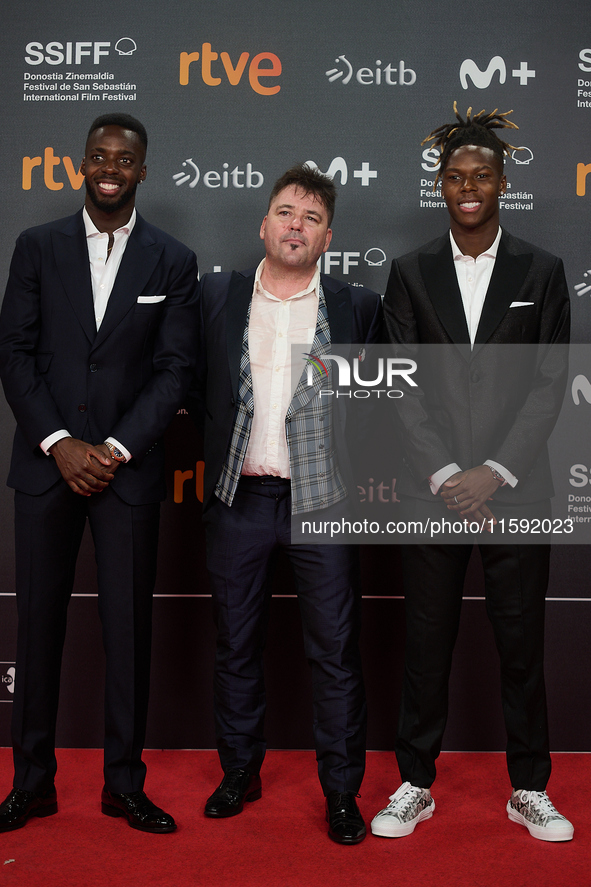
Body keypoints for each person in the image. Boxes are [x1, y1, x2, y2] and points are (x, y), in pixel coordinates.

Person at [372, 105, 573, 842]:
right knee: (426, 642)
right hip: (435, 493)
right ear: (439, 186)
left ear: (501, 182)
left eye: (479, 176)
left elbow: (549, 383)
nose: (466, 187)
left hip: (516, 492)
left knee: (520, 644)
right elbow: (401, 386)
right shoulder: (408, 272)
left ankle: (529, 787)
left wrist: (493, 471)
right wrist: (450, 474)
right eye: (454, 176)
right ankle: (414, 783)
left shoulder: (542, 271)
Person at [0, 113, 199, 833]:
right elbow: (14, 353)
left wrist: (112, 450)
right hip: (47, 464)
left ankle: (124, 783)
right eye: (98, 155)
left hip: (127, 472)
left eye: (125, 158)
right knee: (37, 626)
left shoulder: (172, 259)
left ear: (144, 169)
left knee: (127, 629)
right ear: (81, 164)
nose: (110, 166)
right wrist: (58, 442)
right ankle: (31, 781)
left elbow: (176, 369)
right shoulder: (36, 247)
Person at [191, 163, 382, 844]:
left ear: (327, 235)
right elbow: (184, 385)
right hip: (239, 499)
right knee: (235, 645)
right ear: (262, 224)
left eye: (308, 216)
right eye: (284, 212)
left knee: (333, 653)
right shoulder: (218, 298)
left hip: (323, 502)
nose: (294, 225)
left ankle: (340, 793)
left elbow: (382, 403)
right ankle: (239, 769)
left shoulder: (355, 307)